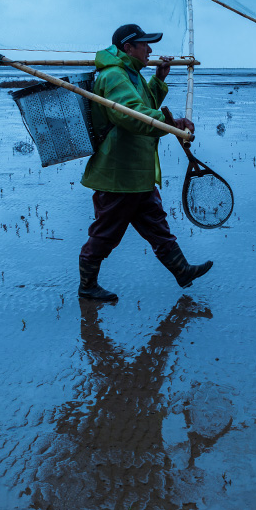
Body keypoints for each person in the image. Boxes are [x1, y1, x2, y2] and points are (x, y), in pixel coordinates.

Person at [77, 23, 213, 302]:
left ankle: (183, 271)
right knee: (105, 234)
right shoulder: (114, 76)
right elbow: (132, 116)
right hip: (119, 173)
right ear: (128, 48)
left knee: (157, 226)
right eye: (145, 44)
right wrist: (172, 122)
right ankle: (87, 286)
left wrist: (159, 80)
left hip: (137, 172)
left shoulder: (132, 74)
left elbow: (144, 103)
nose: (150, 49)